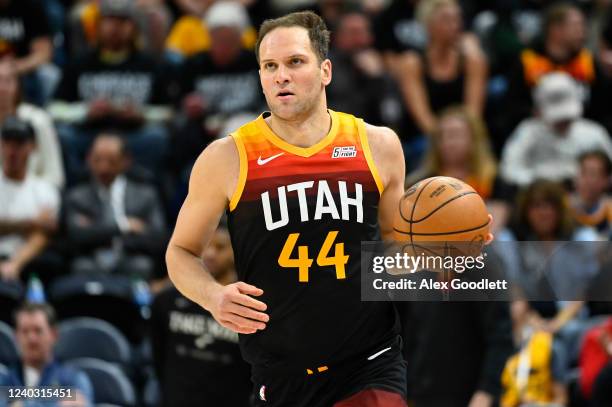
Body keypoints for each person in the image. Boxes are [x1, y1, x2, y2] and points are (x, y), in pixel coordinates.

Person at [167, 10, 411, 407]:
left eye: (295, 62)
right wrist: (212, 296)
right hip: (280, 374)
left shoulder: (377, 145)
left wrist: (449, 251)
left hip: (370, 363)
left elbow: (399, 256)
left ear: (325, 70)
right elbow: (179, 253)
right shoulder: (227, 157)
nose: (281, 75)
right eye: (270, 66)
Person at [49, 0, 172, 183]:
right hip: (90, 134)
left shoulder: (149, 65)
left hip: (133, 136)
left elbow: (169, 111)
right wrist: (86, 111)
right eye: (110, 20)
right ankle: (81, 186)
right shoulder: (80, 63)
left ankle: (142, 187)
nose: (115, 27)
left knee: (157, 137)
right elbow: (54, 108)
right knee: (64, 135)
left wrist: (141, 114)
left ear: (134, 27)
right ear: (98, 26)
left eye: (123, 21)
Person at [152, 220, 251, 407]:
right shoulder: (167, 300)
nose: (211, 254)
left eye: (220, 247)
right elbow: (158, 354)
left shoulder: (247, 304)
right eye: (206, 246)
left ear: (236, 251)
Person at [64, 134, 167, 280]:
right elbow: (76, 236)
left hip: (131, 259)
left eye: (111, 161)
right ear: (88, 159)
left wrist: (97, 231)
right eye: (97, 160)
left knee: (142, 266)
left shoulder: (146, 195)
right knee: (81, 267)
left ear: (126, 161)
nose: (103, 168)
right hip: (91, 261)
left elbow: (158, 238)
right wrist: (123, 226)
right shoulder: (76, 196)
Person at [407, 106, 515, 233]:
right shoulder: (421, 184)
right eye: (442, 136)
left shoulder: (493, 181)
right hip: (435, 243)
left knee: (504, 237)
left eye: (455, 135)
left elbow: (493, 226)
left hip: (481, 243)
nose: (448, 142)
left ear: (474, 140)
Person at [500, 72, 612, 187]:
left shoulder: (594, 133)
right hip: (539, 194)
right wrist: (541, 181)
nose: (563, 122)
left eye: (567, 118)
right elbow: (509, 170)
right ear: (538, 111)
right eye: (558, 119)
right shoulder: (527, 132)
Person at [0, 117, 59, 283]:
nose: (12, 151)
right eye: (7, 143)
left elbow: (42, 233)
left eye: (19, 144)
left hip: (26, 261)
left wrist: (15, 264)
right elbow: (37, 225)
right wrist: (30, 222)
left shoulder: (45, 190)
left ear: (33, 147)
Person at [0, 302, 93, 406]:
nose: (32, 339)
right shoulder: (4, 381)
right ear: (16, 336)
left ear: (54, 334)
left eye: (38, 331)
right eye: (25, 331)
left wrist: (21, 404)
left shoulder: (73, 379)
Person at [0, 60, 64, 189]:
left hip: (35, 199)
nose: (1, 88)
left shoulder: (38, 120)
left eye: (7, 81)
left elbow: (55, 176)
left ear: (18, 87)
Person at [570, 150, 612, 240]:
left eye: (592, 174)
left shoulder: (610, 210)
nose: (586, 180)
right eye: (583, 173)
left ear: (606, 180)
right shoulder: (562, 206)